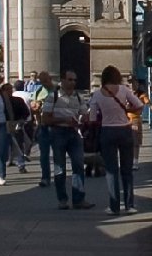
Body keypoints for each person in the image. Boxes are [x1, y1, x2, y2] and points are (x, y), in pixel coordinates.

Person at [88, 66, 144, 215]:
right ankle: (129, 205)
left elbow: (92, 118)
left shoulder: (97, 95)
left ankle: (114, 207)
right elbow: (139, 105)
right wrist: (127, 110)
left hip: (107, 131)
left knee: (111, 171)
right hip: (125, 130)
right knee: (127, 170)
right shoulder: (124, 90)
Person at [41, 71, 94, 210]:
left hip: (74, 132)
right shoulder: (53, 97)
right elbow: (45, 119)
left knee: (78, 165)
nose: (73, 82)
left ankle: (78, 199)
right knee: (60, 168)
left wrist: (84, 119)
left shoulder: (79, 97)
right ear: (62, 81)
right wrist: (63, 119)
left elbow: (83, 114)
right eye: (70, 79)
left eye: (75, 80)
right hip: (58, 132)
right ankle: (62, 199)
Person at [30, 70, 54, 187]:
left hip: (56, 126)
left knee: (59, 153)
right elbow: (33, 108)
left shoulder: (57, 90)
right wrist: (35, 107)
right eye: (41, 81)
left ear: (50, 79)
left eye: (45, 81)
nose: (44, 83)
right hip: (43, 126)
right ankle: (45, 177)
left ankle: (60, 175)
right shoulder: (38, 91)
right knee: (44, 154)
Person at [1, 82, 31, 173]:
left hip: (16, 124)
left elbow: (26, 112)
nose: (9, 91)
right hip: (3, 125)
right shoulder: (0, 102)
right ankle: (7, 161)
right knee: (4, 145)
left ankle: (21, 164)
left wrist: (21, 120)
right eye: (6, 89)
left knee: (18, 145)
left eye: (10, 89)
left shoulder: (18, 100)